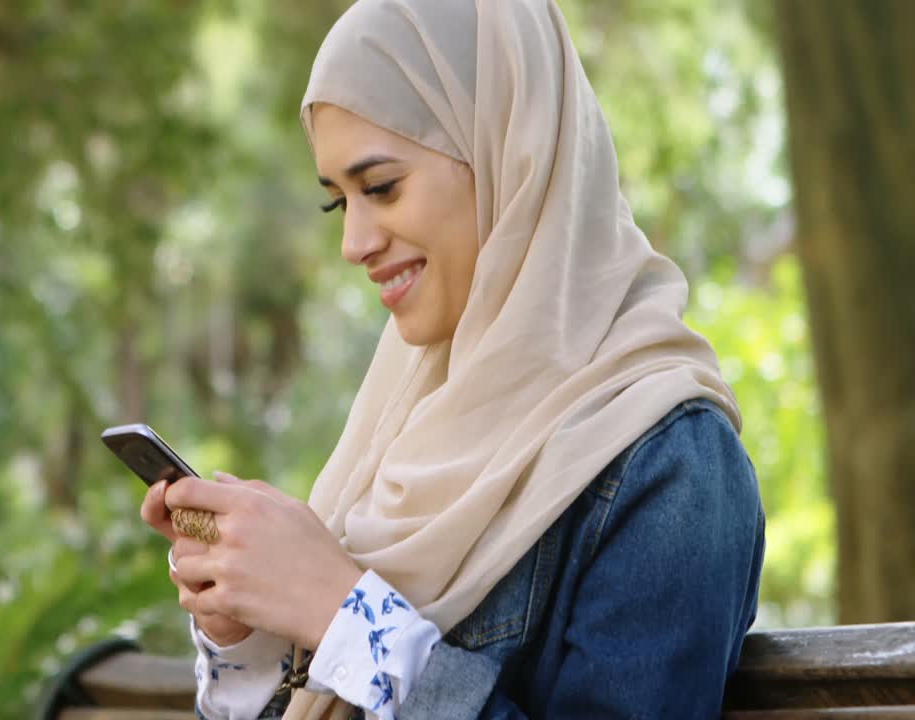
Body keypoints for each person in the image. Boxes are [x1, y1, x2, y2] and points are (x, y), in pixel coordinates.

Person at [139, 0, 765, 717]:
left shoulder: (672, 466)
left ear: (510, 155)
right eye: (340, 203)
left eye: (381, 188)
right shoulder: (402, 425)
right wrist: (247, 636)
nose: (355, 243)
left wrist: (348, 618)